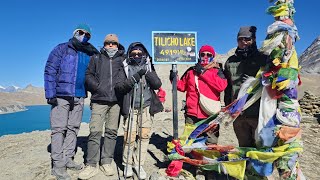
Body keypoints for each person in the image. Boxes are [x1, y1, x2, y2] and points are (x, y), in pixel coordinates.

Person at [44, 23, 99, 180]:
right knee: (59, 129)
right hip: (61, 95)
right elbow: (50, 70)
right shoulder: (61, 49)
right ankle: (58, 166)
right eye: (81, 33)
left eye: (87, 35)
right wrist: (50, 93)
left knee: (73, 128)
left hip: (80, 95)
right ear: (75, 33)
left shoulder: (89, 54)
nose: (84, 36)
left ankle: (68, 159)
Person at [78, 34, 126, 179]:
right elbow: (88, 75)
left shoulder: (123, 60)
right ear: (104, 44)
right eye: (108, 43)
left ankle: (106, 161)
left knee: (111, 132)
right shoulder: (96, 58)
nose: (111, 45)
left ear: (117, 45)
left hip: (116, 102)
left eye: (113, 43)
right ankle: (91, 164)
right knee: (95, 132)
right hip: (99, 100)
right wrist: (97, 87)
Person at [114, 42, 163, 179]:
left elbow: (157, 84)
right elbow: (119, 87)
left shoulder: (148, 65)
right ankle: (127, 163)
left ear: (144, 54)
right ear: (129, 54)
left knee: (144, 135)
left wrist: (148, 73)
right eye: (134, 53)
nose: (136, 55)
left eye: (139, 53)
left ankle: (138, 164)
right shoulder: (125, 67)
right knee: (129, 136)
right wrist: (135, 78)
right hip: (130, 106)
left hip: (146, 106)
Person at [170, 45, 227, 144]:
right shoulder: (191, 71)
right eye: (202, 54)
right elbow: (181, 87)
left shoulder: (218, 70)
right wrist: (173, 78)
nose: (205, 56)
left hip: (210, 113)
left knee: (211, 142)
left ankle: (208, 159)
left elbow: (221, 86)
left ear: (213, 56)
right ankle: (193, 159)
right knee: (191, 141)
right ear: (198, 55)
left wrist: (203, 73)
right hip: (192, 114)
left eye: (209, 54)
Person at [223, 26, 267, 148]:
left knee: (260, 146)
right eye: (240, 39)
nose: (244, 42)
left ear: (253, 39)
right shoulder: (230, 62)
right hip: (238, 114)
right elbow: (228, 88)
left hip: (258, 112)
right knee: (244, 146)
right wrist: (228, 106)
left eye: (247, 39)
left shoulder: (263, 59)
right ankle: (246, 167)